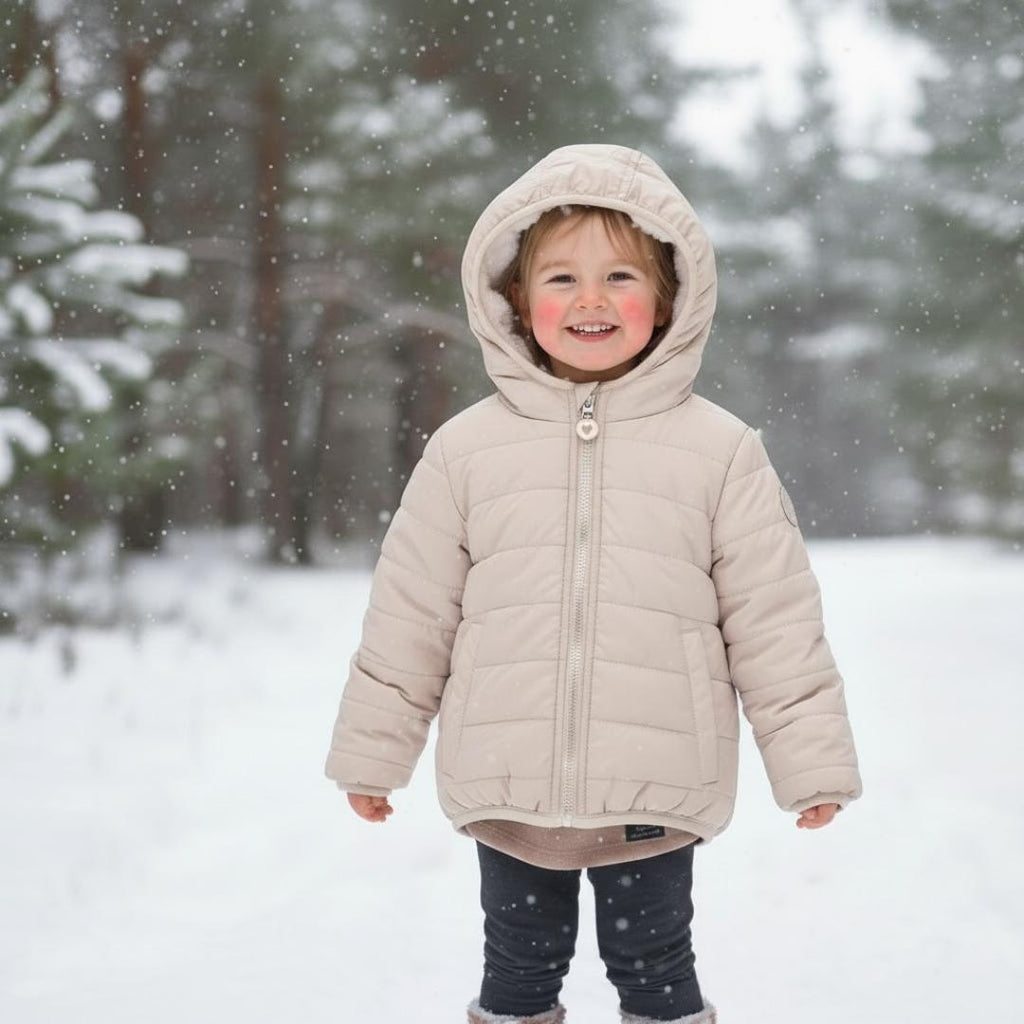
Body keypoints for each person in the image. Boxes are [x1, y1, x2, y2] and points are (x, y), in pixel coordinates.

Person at [323, 143, 864, 1024]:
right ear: (514, 299)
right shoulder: (466, 451)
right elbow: (410, 614)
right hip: (509, 778)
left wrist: (810, 762)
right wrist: (375, 752)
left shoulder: (719, 450)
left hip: (656, 779)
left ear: (669, 301)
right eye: (562, 278)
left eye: (620, 276)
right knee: (517, 968)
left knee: (655, 969)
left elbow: (774, 619)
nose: (591, 300)